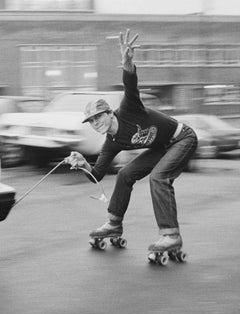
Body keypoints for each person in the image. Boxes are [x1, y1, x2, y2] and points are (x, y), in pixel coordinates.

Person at [64, 29, 198, 253]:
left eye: (99, 117)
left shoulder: (128, 109)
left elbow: (130, 84)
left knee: (159, 177)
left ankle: (171, 235)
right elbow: (97, 174)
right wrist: (83, 164)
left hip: (182, 138)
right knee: (125, 174)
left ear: (109, 113)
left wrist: (127, 61)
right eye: (92, 122)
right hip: (161, 147)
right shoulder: (111, 142)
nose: (96, 123)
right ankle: (113, 224)